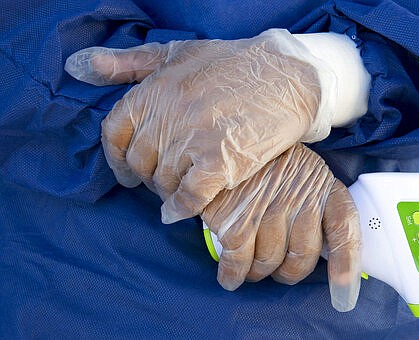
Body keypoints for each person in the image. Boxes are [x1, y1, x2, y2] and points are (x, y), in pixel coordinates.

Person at [65, 29, 371, 312]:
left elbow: (414, 33)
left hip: (329, 278)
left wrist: (319, 71)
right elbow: (40, 54)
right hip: (105, 259)